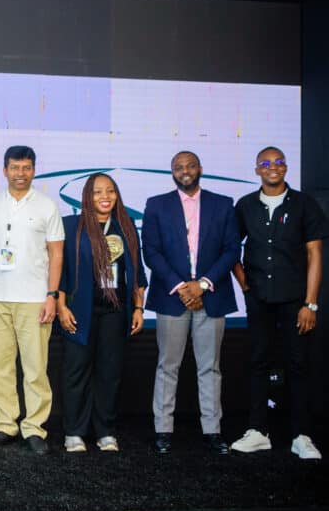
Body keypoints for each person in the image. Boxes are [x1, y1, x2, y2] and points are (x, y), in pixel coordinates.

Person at [230, 146, 327, 460]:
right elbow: (230, 248)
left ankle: (301, 435)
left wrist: (310, 304)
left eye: (279, 162)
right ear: (257, 169)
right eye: (266, 163)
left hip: (295, 300)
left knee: (298, 364)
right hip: (259, 298)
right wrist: (245, 284)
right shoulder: (245, 205)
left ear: (286, 167)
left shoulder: (304, 204)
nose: (273, 166)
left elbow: (314, 254)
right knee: (258, 361)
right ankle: (258, 431)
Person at [142, 151, 239, 455]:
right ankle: (163, 430)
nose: (185, 171)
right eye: (178, 167)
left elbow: (231, 250)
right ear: (172, 172)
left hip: (212, 295)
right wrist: (182, 287)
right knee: (167, 366)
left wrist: (203, 285)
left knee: (210, 367)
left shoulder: (223, 204)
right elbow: (151, 251)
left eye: (190, 166)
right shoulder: (156, 205)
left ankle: (212, 431)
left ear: (200, 169)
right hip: (173, 296)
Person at [0, 145, 64, 456]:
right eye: (14, 167)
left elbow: (56, 254)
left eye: (26, 168)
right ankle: (5, 425)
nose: (20, 173)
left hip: (34, 298)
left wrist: (52, 295)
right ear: (5, 170)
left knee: (35, 367)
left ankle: (34, 427)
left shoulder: (47, 206)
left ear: (34, 171)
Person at [56, 173, 146, 453]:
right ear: (87, 196)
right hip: (79, 310)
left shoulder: (126, 226)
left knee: (109, 372)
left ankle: (105, 431)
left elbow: (137, 272)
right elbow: (61, 270)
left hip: (115, 311)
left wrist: (139, 307)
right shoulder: (72, 226)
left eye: (110, 191)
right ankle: (74, 432)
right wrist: (61, 306)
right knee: (76, 372)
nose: (104, 197)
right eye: (97, 192)